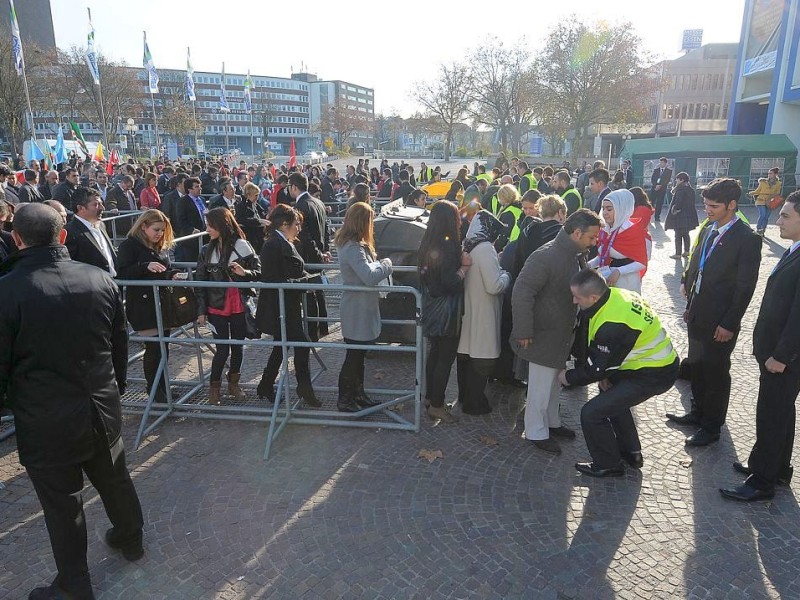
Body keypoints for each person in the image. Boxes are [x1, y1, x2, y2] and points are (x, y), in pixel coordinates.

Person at [0, 203, 143, 600]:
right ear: (62, 236)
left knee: (64, 504)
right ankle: (131, 539)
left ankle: (76, 585)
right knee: (114, 477)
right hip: (100, 405)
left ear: (17, 239)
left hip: (47, 420)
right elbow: (120, 347)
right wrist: (111, 389)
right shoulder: (99, 278)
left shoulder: (7, 291)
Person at [667, 178, 762, 447]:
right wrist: (690, 305)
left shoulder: (747, 238)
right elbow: (698, 265)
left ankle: (712, 426)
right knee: (697, 366)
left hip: (721, 321)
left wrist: (729, 323)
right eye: (706, 204)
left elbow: (745, 287)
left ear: (732, 205)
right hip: (699, 314)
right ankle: (697, 412)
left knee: (716, 372)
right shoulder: (710, 228)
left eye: (714, 206)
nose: (707, 210)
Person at [559, 269, 679, 477]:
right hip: (650, 365)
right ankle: (631, 453)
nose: (573, 301)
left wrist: (567, 377)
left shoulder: (612, 323)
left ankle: (608, 464)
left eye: (577, 298)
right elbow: (609, 357)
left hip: (654, 373)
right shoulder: (616, 295)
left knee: (591, 413)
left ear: (593, 297)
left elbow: (596, 368)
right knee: (611, 399)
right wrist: (607, 374)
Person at [720, 192, 800, 501]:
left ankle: (762, 481)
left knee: (771, 413)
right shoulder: (794, 249)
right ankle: (777, 467)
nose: (777, 220)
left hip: (784, 356)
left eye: (786, 216)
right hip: (776, 352)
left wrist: (781, 355)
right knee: (782, 411)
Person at [512, 209, 601, 454]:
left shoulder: (572, 253)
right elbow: (522, 292)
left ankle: (551, 422)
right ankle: (536, 431)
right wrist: (523, 330)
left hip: (559, 333)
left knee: (553, 384)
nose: (594, 242)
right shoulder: (546, 256)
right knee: (540, 387)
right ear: (576, 232)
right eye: (591, 238)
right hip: (542, 334)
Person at [256, 204, 321, 407]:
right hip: (279, 307)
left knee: (281, 348)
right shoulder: (273, 245)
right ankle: (304, 387)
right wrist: (307, 283)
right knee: (300, 345)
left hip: (289, 305)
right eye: (296, 224)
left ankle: (266, 385)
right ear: (285, 225)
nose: (299, 228)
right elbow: (272, 280)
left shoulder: (284, 241)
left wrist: (312, 279)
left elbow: (293, 272)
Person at [195, 208, 261, 406]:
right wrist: (201, 311)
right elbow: (200, 282)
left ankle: (234, 384)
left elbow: (259, 271)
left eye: (210, 225)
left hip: (239, 303)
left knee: (238, 346)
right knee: (222, 348)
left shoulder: (242, 245)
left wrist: (245, 272)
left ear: (221, 225)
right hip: (217, 306)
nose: (206, 229)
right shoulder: (206, 250)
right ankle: (214, 388)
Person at [335, 202, 393, 412]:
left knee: (358, 356)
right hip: (356, 308)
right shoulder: (353, 247)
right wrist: (386, 264)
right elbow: (368, 276)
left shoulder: (353, 245)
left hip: (360, 306)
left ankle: (357, 393)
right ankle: (345, 398)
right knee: (354, 356)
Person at [116, 210, 178, 403]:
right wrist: (144, 266)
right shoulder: (130, 245)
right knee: (154, 348)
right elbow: (122, 273)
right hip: (143, 305)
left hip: (162, 302)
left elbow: (163, 268)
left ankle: (162, 387)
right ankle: (154, 390)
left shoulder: (159, 245)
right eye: (156, 229)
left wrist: (173, 274)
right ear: (143, 226)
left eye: (162, 230)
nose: (160, 233)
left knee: (164, 347)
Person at [418, 201, 472, 424]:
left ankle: (430, 399)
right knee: (444, 358)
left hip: (431, 306)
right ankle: (438, 405)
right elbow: (450, 281)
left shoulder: (426, 242)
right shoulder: (449, 245)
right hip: (447, 310)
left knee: (435, 354)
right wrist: (464, 268)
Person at [457, 210, 511, 415]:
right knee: (481, 358)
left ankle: (464, 397)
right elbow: (494, 285)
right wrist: (506, 275)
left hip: (468, 309)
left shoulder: (468, 245)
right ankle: (475, 402)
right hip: (484, 311)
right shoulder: (486, 248)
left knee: (466, 356)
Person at [289, 171, 331, 342]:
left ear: (294, 187)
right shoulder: (318, 202)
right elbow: (326, 229)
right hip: (318, 253)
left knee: (309, 294)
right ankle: (323, 326)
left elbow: (305, 237)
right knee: (318, 292)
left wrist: (319, 253)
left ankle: (312, 332)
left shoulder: (301, 207)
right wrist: (325, 250)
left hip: (308, 256)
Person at [589, 189, 649, 293]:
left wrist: (619, 271)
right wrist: (589, 265)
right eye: (603, 209)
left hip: (627, 284)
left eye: (609, 209)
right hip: (607, 281)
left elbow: (642, 262)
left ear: (620, 209)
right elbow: (603, 255)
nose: (605, 213)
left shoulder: (633, 231)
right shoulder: (605, 230)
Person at [65, 186, 117, 275]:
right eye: (96, 204)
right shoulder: (70, 232)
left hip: (111, 284)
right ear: (80, 208)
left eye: (101, 203)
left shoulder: (101, 225)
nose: (102, 208)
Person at [513, 195, 568, 278]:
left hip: (527, 281)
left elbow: (517, 261)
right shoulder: (563, 234)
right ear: (560, 212)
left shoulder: (527, 231)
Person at [664, 172, 699, 259]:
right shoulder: (691, 190)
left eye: (677, 179)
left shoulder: (680, 190)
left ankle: (678, 253)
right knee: (686, 234)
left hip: (680, 217)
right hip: (689, 216)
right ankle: (687, 251)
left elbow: (678, 203)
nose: (676, 181)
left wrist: (674, 209)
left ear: (682, 180)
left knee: (678, 235)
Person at [235, 181, 269, 253]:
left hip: (259, 234)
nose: (257, 198)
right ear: (248, 195)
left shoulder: (256, 205)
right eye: (256, 195)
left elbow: (262, 214)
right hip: (250, 235)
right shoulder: (242, 206)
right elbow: (241, 220)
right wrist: (258, 221)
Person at [748, 167, 782, 236]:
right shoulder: (763, 182)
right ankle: (758, 229)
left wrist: (770, 197)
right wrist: (751, 193)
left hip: (770, 201)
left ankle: (763, 230)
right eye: (768, 173)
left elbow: (777, 193)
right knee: (762, 215)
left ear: (775, 174)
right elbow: (758, 191)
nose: (769, 175)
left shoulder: (778, 183)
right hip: (760, 200)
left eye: (771, 173)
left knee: (766, 217)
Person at [495, 183, 523, 250]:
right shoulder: (520, 208)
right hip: (519, 243)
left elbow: (504, 234)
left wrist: (496, 248)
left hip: (509, 246)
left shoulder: (508, 212)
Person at [650, 157, 672, 223]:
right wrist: (655, 185)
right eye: (660, 162)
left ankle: (657, 217)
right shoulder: (656, 170)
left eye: (662, 162)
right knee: (651, 202)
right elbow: (653, 179)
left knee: (659, 203)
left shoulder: (669, 171)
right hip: (654, 188)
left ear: (665, 163)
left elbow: (667, 180)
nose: (661, 164)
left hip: (662, 189)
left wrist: (660, 186)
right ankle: (649, 215)